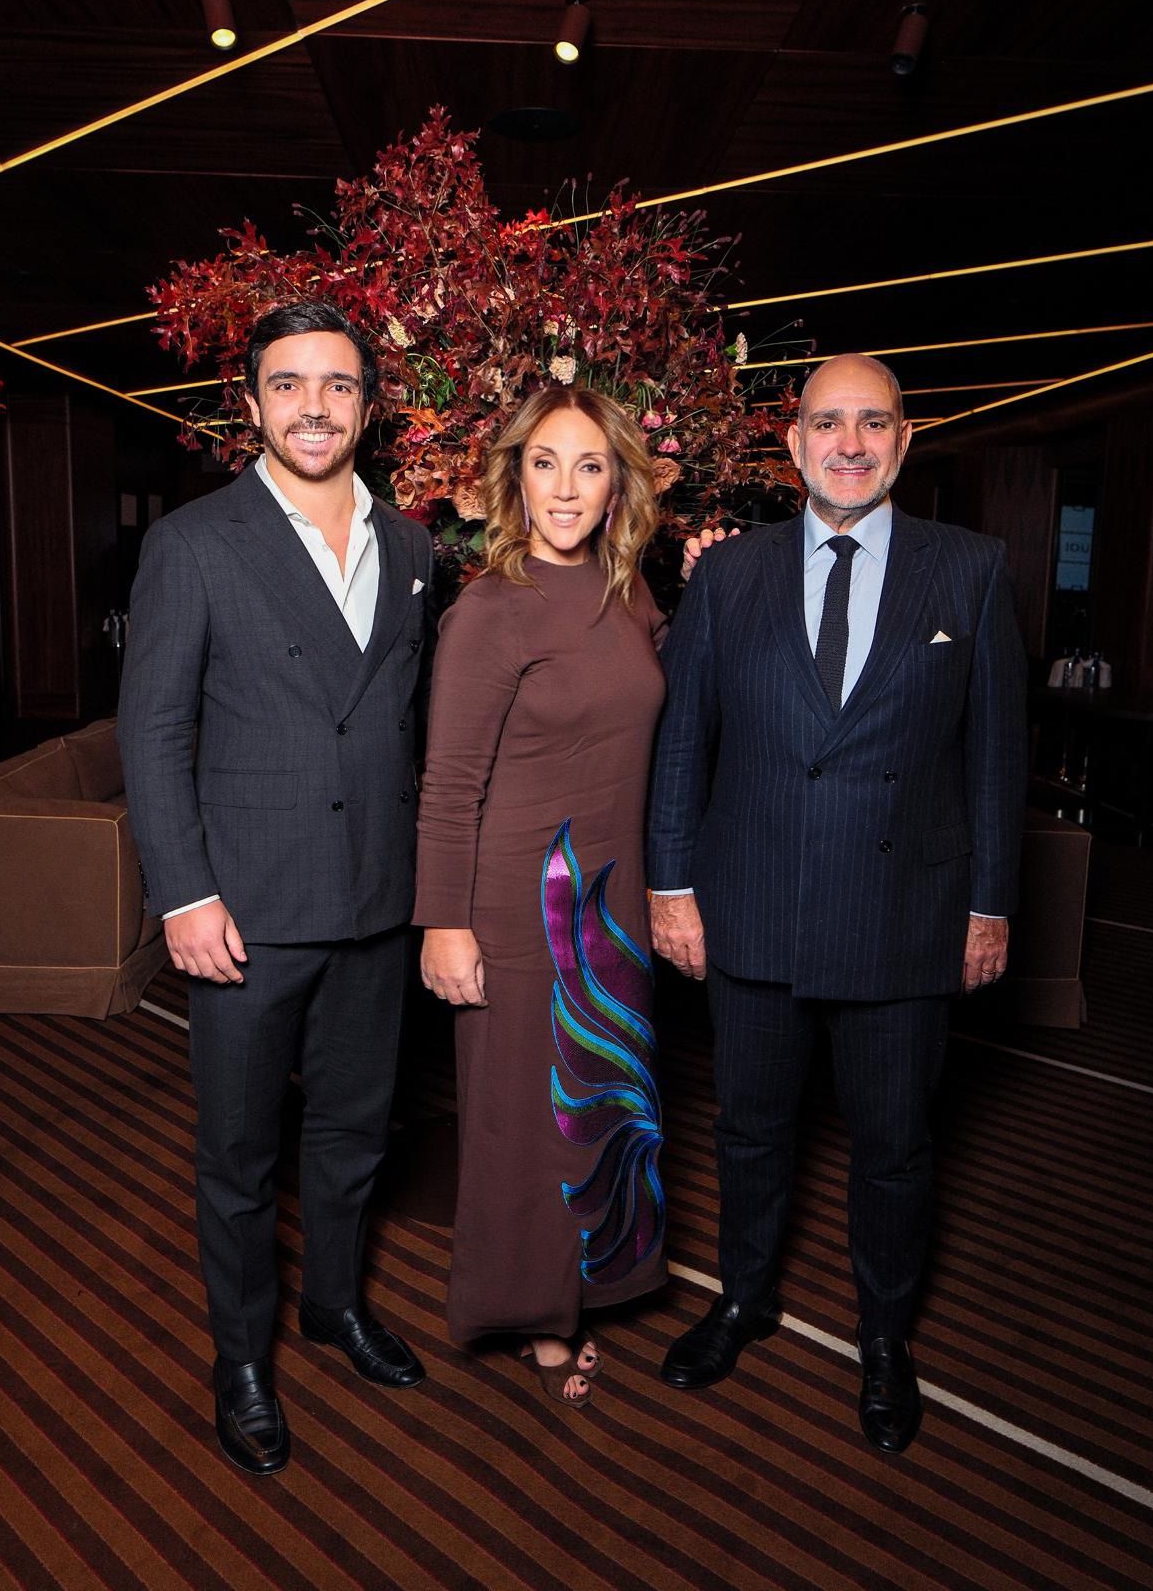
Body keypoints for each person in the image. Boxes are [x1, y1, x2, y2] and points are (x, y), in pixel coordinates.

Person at [647, 353, 1026, 1452]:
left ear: (905, 441)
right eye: (827, 423)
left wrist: (990, 904)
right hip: (753, 905)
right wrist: (672, 884)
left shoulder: (973, 570)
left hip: (906, 916)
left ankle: (885, 1339)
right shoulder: (728, 575)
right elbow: (686, 745)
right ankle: (743, 1298)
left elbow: (999, 757)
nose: (849, 442)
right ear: (793, 441)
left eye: (873, 423)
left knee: (895, 1145)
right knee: (751, 1131)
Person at [118, 301, 433, 1475]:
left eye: (339, 386)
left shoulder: (411, 547)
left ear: (367, 404)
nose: (315, 406)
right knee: (240, 1156)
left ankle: (336, 1303)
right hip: (243, 912)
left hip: (373, 903)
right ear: (250, 404)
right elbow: (153, 733)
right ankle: (241, 1355)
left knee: (354, 1135)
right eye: (289, 385)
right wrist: (184, 893)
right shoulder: (195, 544)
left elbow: (401, 724)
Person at [412, 386, 668, 1407]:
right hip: (518, 907)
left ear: (618, 486)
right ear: (514, 477)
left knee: (601, 1111)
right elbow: (447, 782)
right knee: (522, 1125)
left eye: (590, 465)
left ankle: (586, 1281)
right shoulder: (490, 607)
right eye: (545, 462)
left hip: (613, 905)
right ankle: (531, 1316)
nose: (566, 486)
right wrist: (442, 921)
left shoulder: (631, 592)